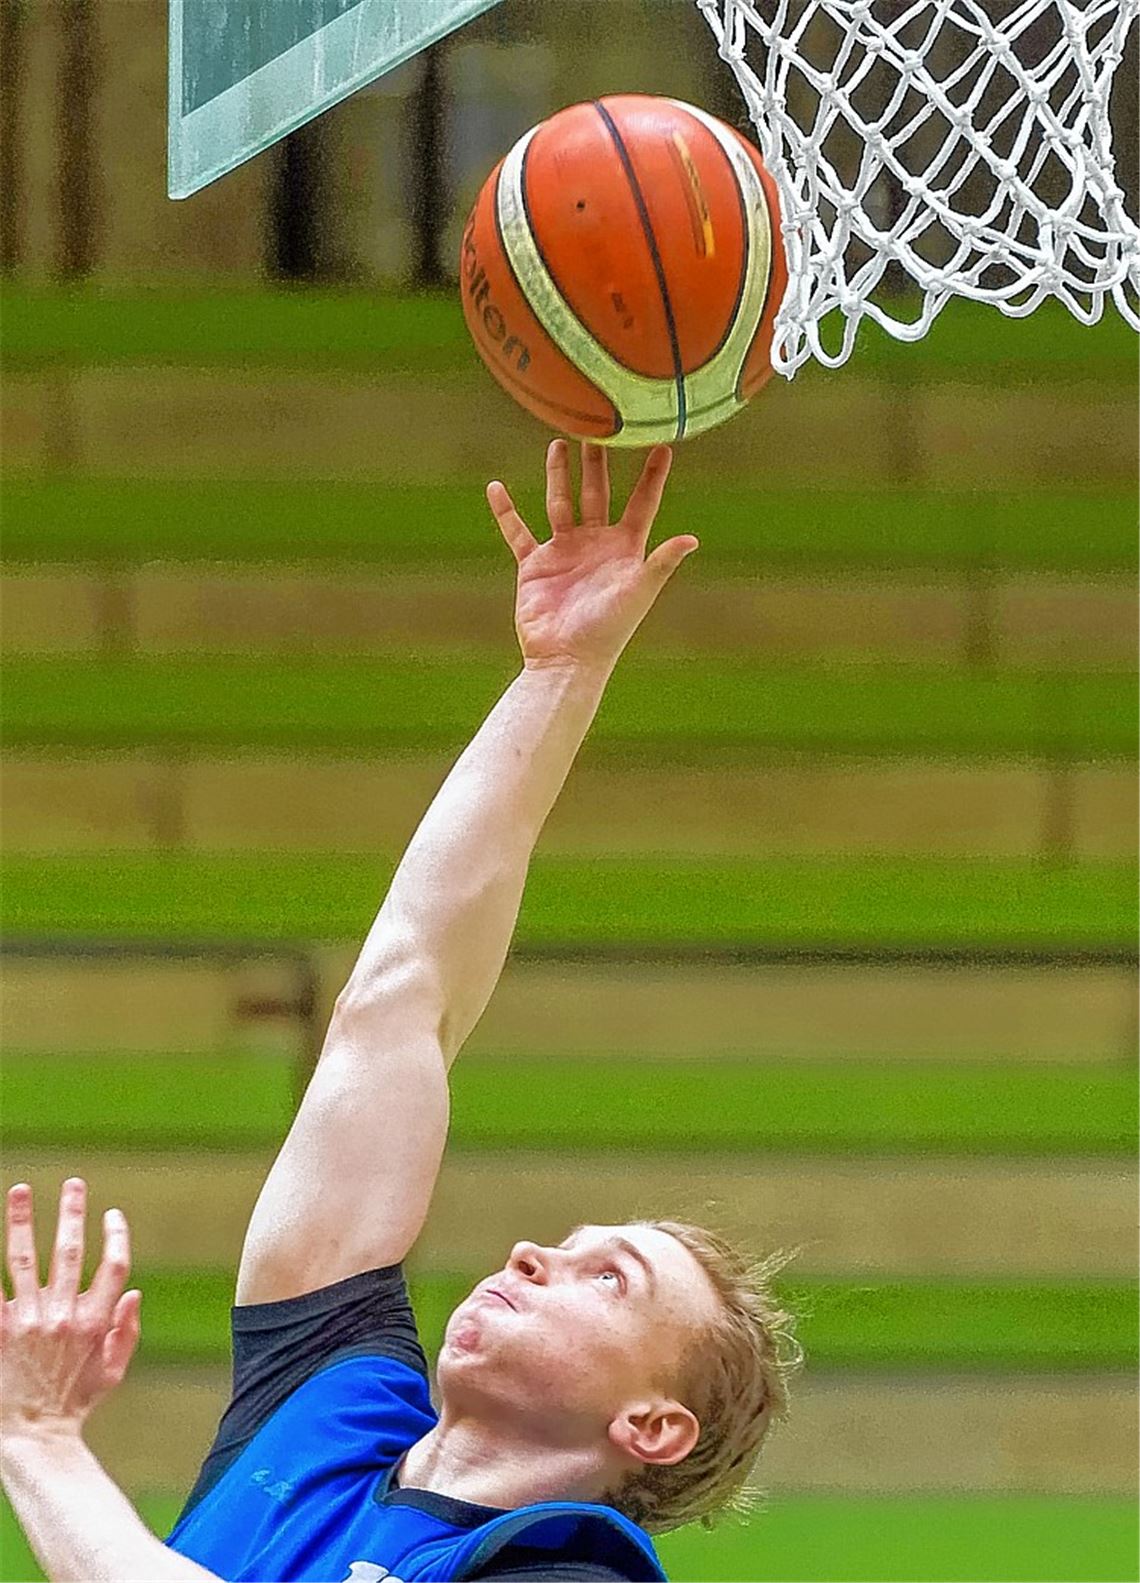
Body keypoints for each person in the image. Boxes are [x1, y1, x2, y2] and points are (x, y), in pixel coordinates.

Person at [1, 441, 798, 1583]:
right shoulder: (329, 1399)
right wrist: (563, 670)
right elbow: (401, 995)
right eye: (570, 1247)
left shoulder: (570, 1571)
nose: (534, 1254)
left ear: (652, 1425)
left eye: (607, 1276)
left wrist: (34, 1440)